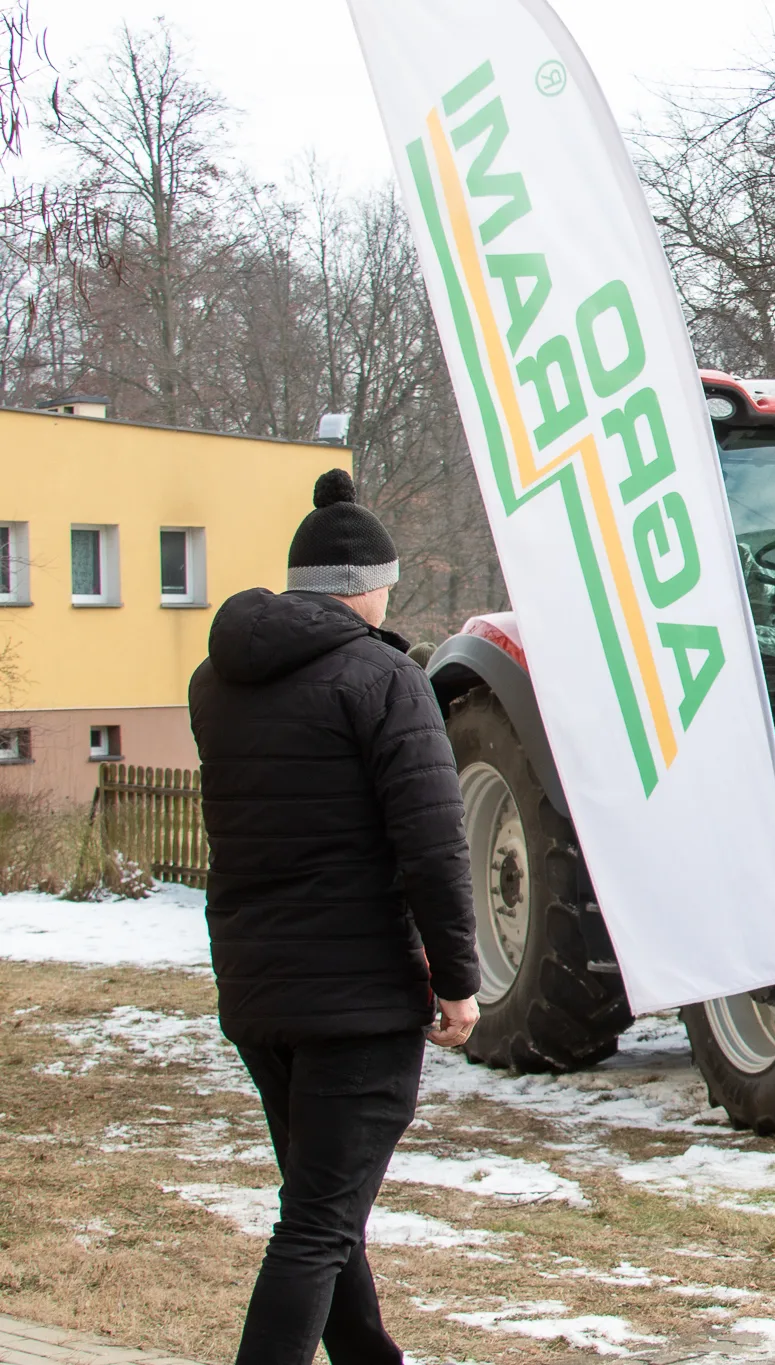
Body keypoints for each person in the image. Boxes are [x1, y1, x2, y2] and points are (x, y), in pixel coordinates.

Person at [190, 468, 479, 1365]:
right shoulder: (386, 678)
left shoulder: (217, 680)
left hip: (259, 988)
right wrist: (459, 981)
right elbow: (433, 844)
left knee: (324, 1205)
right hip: (356, 997)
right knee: (319, 1221)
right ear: (371, 582)